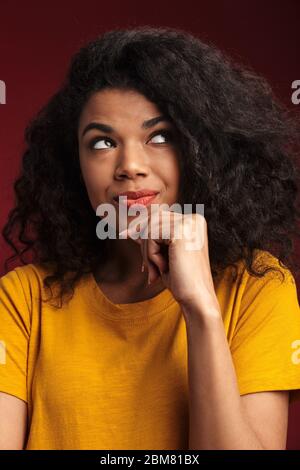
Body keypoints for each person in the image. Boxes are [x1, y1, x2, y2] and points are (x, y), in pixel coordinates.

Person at [1, 25, 300, 450]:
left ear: (202, 150)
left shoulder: (259, 288)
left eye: (159, 137)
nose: (130, 165)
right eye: (102, 142)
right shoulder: (22, 301)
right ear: (75, 166)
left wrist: (201, 311)